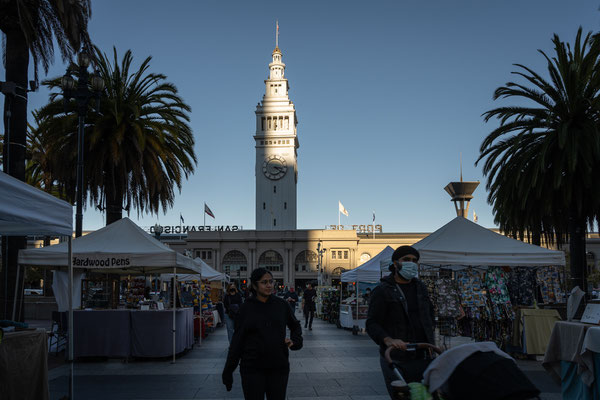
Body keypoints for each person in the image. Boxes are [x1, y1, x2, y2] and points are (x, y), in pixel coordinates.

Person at [222, 268, 303, 399]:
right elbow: (237, 341)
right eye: (264, 282)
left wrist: (294, 341)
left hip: (278, 367)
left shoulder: (281, 305)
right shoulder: (246, 308)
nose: (269, 285)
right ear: (255, 285)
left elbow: (295, 325)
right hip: (252, 368)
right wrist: (228, 371)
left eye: (271, 281)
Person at [366, 245, 436, 398]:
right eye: (406, 260)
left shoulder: (421, 287)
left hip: (424, 355)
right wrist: (388, 339)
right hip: (397, 358)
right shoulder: (383, 290)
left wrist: (431, 338)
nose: (411, 263)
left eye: (414, 260)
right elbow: (372, 323)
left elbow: (429, 314)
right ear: (395, 263)